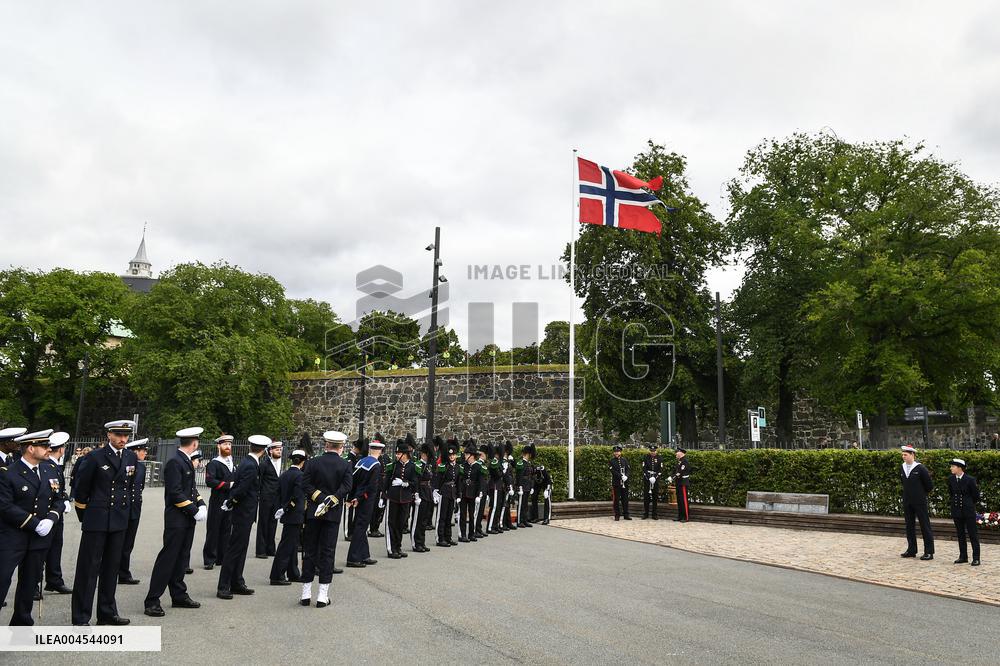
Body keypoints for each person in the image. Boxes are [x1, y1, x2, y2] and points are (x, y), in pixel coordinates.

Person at [71, 419, 138, 626]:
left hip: (118, 520)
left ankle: (107, 612)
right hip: (97, 520)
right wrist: (87, 516)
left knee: (111, 568)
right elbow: (81, 490)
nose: (123, 439)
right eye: (118, 435)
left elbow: (129, 487)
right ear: (109, 435)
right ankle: (81, 617)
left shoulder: (130, 457)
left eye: (126, 436)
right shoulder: (94, 457)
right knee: (88, 570)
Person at [0, 429, 63, 625]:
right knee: (2, 580)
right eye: (44, 446)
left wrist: (51, 518)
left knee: (29, 584)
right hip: (13, 537)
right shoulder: (8, 473)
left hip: (38, 539)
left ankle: (21, 624)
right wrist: (34, 523)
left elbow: (59, 499)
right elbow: (5, 506)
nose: (49, 449)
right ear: (30, 448)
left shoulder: (49, 470)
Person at [144, 427, 208, 617]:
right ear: (194, 443)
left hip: (187, 519)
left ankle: (178, 594)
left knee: (181, 559)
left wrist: (201, 504)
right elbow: (175, 493)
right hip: (177, 519)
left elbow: (191, 489)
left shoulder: (185, 460)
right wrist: (194, 510)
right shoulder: (175, 462)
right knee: (168, 559)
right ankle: (152, 600)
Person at [299, 432, 353, 607]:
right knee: (328, 552)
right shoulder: (346, 465)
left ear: (326, 445)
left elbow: (305, 485)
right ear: (341, 447)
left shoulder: (313, 462)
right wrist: (332, 499)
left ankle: (306, 593)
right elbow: (347, 486)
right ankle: (322, 596)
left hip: (313, 513)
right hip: (332, 513)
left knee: (310, 551)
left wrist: (320, 498)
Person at [217, 434, 268, 599]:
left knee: (241, 548)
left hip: (245, 512)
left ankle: (237, 581)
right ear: (264, 450)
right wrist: (232, 501)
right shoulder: (251, 465)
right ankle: (223, 586)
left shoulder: (248, 462)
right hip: (243, 512)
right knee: (234, 549)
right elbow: (243, 488)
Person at [42, 432, 73, 595]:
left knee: (55, 548)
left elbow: (59, 489)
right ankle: (34, 584)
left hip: (56, 513)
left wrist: (65, 498)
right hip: (47, 514)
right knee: (41, 550)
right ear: (61, 450)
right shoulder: (48, 465)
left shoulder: (54, 465)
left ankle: (54, 580)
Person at [270, 449, 307, 585]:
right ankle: (277, 575)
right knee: (286, 546)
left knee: (292, 545)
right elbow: (296, 496)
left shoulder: (284, 474)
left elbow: (278, 494)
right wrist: (287, 508)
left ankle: (293, 573)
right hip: (294, 514)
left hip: (287, 513)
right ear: (302, 462)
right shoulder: (300, 476)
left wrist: (281, 508)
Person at [346, 439, 383, 568]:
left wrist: (352, 497)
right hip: (367, 499)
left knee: (361, 526)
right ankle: (353, 558)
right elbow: (372, 486)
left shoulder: (361, 461)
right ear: (380, 451)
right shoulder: (376, 465)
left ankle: (364, 554)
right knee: (361, 528)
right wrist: (360, 497)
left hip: (359, 497)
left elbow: (354, 480)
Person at [118, 437, 149, 586]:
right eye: (143, 451)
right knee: (116, 542)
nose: (145, 453)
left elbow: (139, 487)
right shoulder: (123, 464)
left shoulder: (141, 467)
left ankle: (123, 573)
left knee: (128, 543)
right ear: (135, 451)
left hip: (135, 508)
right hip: (122, 508)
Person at [202, 434, 235, 570]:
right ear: (219, 446)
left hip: (230, 501)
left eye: (229, 444)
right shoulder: (214, 463)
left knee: (226, 529)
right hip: (217, 500)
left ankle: (222, 557)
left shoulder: (232, 463)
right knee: (214, 529)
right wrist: (228, 485)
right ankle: (209, 559)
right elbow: (210, 481)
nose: (228, 447)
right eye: (225, 444)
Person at [899, 444, 934, 560]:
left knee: (924, 525)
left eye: (905, 455)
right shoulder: (902, 467)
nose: (903, 457)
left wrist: (920, 494)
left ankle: (929, 551)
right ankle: (911, 549)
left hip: (919, 501)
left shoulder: (920, 468)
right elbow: (903, 482)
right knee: (909, 525)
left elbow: (929, 485)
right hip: (907, 500)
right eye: (903, 455)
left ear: (912, 455)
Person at [384, 439, 417, 559]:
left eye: (399, 454)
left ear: (405, 454)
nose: (397, 456)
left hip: (405, 498)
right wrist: (383, 497)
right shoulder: (393, 466)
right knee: (391, 523)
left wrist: (404, 483)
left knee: (401, 523)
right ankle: (391, 548)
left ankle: (398, 547)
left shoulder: (412, 466)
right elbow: (386, 482)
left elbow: (415, 482)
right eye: (396, 453)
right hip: (393, 497)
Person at [947, 458, 981, 566]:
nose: (951, 468)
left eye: (953, 466)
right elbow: (951, 493)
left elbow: (976, 495)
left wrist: (968, 504)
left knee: (973, 534)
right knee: (960, 534)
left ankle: (976, 558)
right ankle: (963, 556)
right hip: (956, 510)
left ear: (960, 468)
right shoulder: (951, 479)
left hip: (968, 511)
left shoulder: (970, 479)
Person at [256, 440, 283, 559]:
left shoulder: (281, 463)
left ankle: (270, 548)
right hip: (265, 498)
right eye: (277, 450)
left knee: (273, 523)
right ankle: (261, 550)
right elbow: (259, 481)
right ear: (271, 451)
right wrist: (260, 495)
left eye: (280, 449)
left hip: (276, 499)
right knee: (263, 523)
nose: (279, 451)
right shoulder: (264, 464)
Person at [433, 443, 460, 547]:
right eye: (450, 455)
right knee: (442, 516)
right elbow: (438, 479)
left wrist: (458, 495)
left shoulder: (457, 467)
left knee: (449, 516)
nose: (452, 457)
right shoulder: (444, 466)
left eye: (453, 455)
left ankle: (448, 537)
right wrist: (436, 491)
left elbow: (458, 482)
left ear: (456, 455)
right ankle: (440, 538)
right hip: (444, 492)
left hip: (452, 493)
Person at [411, 441, 434, 553]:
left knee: (424, 520)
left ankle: (421, 542)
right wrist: (416, 494)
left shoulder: (428, 466)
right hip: (421, 493)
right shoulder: (418, 465)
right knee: (418, 519)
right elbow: (416, 481)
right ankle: (416, 543)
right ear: (423, 454)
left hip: (427, 493)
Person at [368, 434, 389, 538]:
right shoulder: (374, 458)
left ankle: (376, 527)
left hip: (383, 486)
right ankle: (372, 528)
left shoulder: (386, 457)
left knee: (381, 508)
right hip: (376, 485)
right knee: (374, 508)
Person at [342, 438, 363, 542]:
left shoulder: (356, 458)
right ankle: (347, 533)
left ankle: (352, 531)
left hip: (355, 487)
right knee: (348, 511)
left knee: (353, 511)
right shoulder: (349, 458)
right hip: (349, 488)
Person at [458, 444, 481, 542]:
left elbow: (480, 482)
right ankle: (462, 534)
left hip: (473, 492)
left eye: (467, 454)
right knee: (463, 514)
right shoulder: (463, 465)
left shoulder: (478, 466)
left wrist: (479, 494)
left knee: (472, 514)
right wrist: (459, 493)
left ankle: (471, 534)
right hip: (464, 492)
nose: (465, 456)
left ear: (472, 456)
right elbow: (460, 479)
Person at [642, 445, 663, 520]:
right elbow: (644, 469)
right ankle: (646, 513)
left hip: (655, 479)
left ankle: (654, 514)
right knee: (646, 497)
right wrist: (649, 477)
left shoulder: (659, 458)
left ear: (656, 451)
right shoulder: (646, 457)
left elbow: (660, 469)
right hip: (647, 479)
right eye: (651, 451)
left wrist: (655, 477)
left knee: (655, 496)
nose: (652, 452)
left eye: (654, 451)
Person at [609, 445, 630, 521]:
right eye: (615, 452)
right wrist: (621, 476)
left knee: (625, 499)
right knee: (616, 500)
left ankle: (626, 515)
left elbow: (628, 469)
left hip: (625, 482)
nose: (616, 453)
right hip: (616, 483)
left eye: (618, 451)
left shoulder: (624, 460)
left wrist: (626, 476)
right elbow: (613, 471)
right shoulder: (611, 461)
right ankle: (617, 515)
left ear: (620, 452)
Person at [486, 444, 503, 534]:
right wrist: (502, 472)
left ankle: (495, 525)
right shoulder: (494, 462)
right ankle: (490, 527)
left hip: (498, 486)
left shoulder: (498, 462)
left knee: (498, 507)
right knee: (494, 507)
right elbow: (497, 475)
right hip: (495, 485)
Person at [672, 447, 691, 522]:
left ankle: (686, 517)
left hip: (683, 482)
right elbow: (675, 470)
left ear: (681, 453)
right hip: (678, 482)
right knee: (679, 500)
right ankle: (680, 516)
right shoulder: (679, 461)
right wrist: (671, 476)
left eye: (677, 452)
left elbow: (680, 472)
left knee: (684, 500)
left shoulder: (685, 461)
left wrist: (673, 477)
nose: (676, 454)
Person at [501, 441, 516, 531]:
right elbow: (505, 474)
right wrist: (509, 485)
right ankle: (503, 523)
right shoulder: (503, 461)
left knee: (508, 504)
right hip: (505, 484)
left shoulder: (508, 460)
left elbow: (514, 467)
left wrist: (512, 460)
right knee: (504, 505)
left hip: (510, 483)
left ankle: (508, 522)